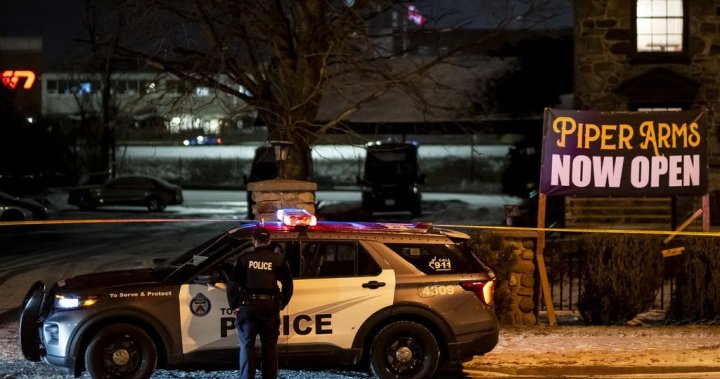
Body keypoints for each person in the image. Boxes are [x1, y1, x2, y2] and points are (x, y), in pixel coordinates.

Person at [228, 227, 293, 379]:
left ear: (253, 241)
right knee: (269, 347)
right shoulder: (278, 260)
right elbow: (288, 285)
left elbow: (232, 285)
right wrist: (281, 303)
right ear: (269, 241)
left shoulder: (244, 259)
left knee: (247, 346)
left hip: (249, 307)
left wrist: (235, 306)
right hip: (270, 307)